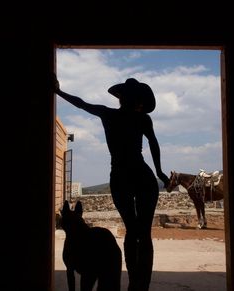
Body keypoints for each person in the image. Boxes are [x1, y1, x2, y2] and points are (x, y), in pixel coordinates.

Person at [53, 75, 169, 291]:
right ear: (138, 101)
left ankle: (136, 282)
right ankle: (139, 285)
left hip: (121, 177)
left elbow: (82, 104)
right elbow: (153, 144)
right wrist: (160, 172)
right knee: (143, 234)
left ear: (120, 98)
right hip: (142, 176)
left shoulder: (109, 114)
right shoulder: (142, 119)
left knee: (133, 231)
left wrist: (59, 92)